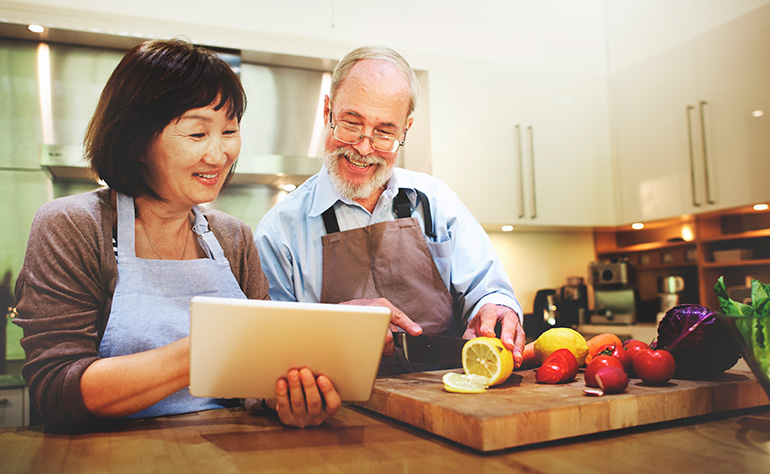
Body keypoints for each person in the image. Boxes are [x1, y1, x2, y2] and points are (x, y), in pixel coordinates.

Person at [13, 38, 339, 432]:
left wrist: (284, 396)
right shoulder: (73, 226)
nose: (219, 155)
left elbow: (255, 379)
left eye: (229, 131)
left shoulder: (233, 237)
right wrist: (206, 349)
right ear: (137, 141)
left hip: (223, 452)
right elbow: (56, 392)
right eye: (196, 134)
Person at [255, 46, 525, 375]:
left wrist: (494, 309)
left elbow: (488, 289)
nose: (364, 147)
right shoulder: (279, 231)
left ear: (405, 130)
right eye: (351, 123)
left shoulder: (435, 201)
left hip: (447, 402)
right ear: (328, 111)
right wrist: (331, 328)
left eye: (384, 132)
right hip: (336, 415)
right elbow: (268, 350)